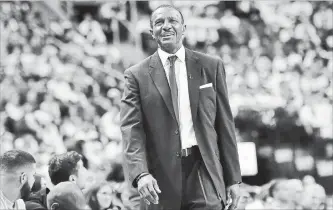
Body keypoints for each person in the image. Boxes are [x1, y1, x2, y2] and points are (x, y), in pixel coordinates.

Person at [120, 4, 242, 210]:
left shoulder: (211, 66)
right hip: (160, 177)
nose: (166, 26)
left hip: (204, 169)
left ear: (184, 28)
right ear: (152, 32)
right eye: (159, 22)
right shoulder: (136, 76)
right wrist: (141, 174)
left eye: (172, 21)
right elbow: (132, 130)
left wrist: (233, 178)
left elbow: (225, 125)